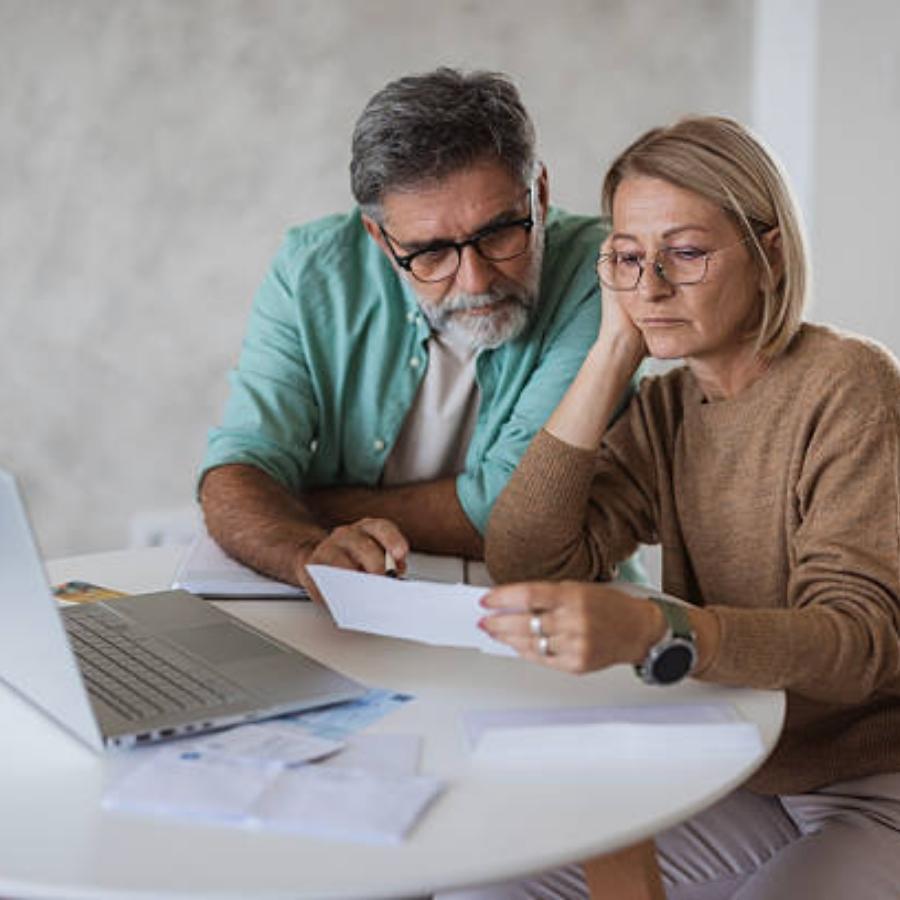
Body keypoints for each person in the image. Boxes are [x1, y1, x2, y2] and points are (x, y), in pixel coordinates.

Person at [458, 116, 900, 898]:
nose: (652, 286)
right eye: (629, 259)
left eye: (685, 253)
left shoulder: (850, 385)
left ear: (768, 254)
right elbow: (526, 555)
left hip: (874, 784)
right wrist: (611, 351)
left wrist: (666, 630)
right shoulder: (668, 409)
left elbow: (859, 643)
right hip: (745, 769)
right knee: (486, 887)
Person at [198, 67, 642, 594]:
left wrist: (302, 503)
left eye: (499, 232)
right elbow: (242, 465)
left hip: (560, 610)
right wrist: (304, 554)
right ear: (380, 239)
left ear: (539, 195)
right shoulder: (309, 270)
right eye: (431, 253)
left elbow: (513, 511)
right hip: (366, 603)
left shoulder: (603, 273)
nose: (475, 280)